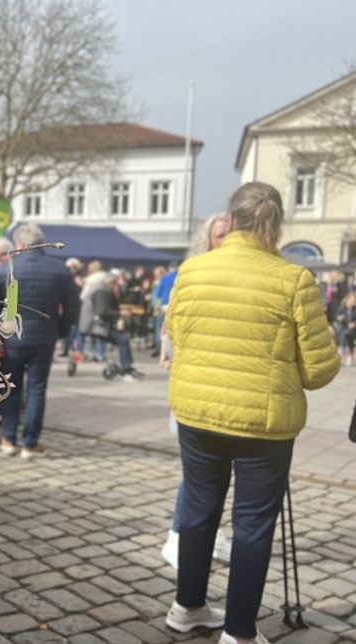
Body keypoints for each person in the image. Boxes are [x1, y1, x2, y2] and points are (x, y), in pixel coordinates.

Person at [163, 182, 339, 644]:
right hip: (264, 421)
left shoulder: (192, 270)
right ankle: (239, 632)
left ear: (231, 219)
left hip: (198, 410)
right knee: (253, 526)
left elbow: (176, 334)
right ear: (277, 224)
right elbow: (319, 370)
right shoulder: (293, 279)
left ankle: (187, 606)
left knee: (198, 509)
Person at [160, 213, 232, 569]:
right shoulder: (193, 274)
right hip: (196, 385)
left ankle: (210, 534)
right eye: (220, 235)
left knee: (220, 472)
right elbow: (173, 329)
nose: (227, 239)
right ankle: (178, 535)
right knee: (199, 472)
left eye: (232, 233)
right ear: (208, 239)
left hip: (229, 387)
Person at [0, 223, 79, 458]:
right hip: (44, 337)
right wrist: (60, 330)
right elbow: (73, 307)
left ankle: (8, 439)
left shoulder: (6, 268)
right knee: (37, 389)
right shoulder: (61, 270)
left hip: (12, 338)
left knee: (11, 388)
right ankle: (30, 443)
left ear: (19, 244)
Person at [90, 272, 142, 381]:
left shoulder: (104, 291)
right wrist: (120, 313)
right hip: (99, 328)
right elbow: (102, 311)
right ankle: (125, 370)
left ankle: (128, 367)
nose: (117, 286)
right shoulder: (102, 292)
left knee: (124, 338)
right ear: (110, 283)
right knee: (123, 339)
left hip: (102, 327)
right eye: (115, 284)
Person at [77, 260, 106, 360]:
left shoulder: (91, 280)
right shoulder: (106, 277)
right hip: (102, 305)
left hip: (89, 306)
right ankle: (100, 354)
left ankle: (80, 352)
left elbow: (83, 296)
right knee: (100, 330)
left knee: (81, 330)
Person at [151, 262, 179, 357]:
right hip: (175, 306)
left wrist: (155, 305)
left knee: (160, 329)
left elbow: (158, 294)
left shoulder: (164, 278)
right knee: (173, 329)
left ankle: (159, 349)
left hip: (163, 307)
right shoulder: (179, 278)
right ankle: (171, 350)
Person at [60, 258, 84, 357]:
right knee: (68, 330)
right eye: (69, 267)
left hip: (77, 307)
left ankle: (77, 351)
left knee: (76, 329)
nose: (71, 269)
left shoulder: (78, 279)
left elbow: (82, 292)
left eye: (73, 267)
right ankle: (66, 350)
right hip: (67, 306)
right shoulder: (66, 278)